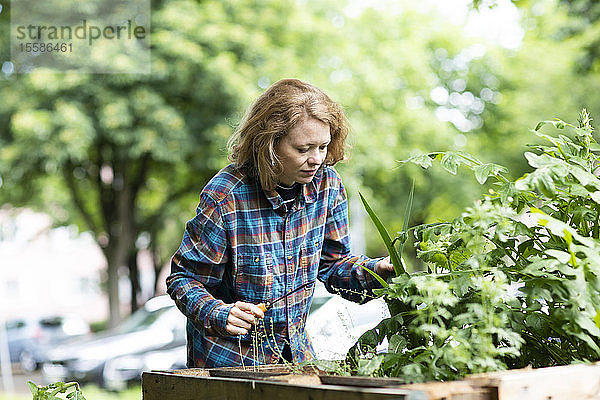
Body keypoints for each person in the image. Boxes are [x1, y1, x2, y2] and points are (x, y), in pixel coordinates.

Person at [166, 78, 394, 368]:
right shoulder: (226, 195)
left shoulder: (328, 186)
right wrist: (219, 313)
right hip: (229, 361)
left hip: (295, 356)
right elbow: (184, 280)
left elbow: (333, 264)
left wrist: (376, 272)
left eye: (323, 147)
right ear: (269, 144)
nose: (316, 159)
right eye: (303, 149)